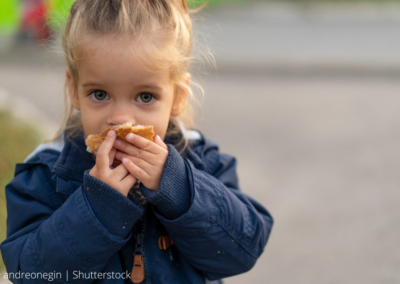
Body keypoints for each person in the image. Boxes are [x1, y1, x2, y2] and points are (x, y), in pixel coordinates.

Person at [0, 0, 274, 283]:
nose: (120, 119)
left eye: (145, 97)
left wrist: (179, 188)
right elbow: (28, 273)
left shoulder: (201, 159)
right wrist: (97, 209)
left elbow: (244, 249)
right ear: (74, 89)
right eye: (99, 94)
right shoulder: (46, 175)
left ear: (178, 96)